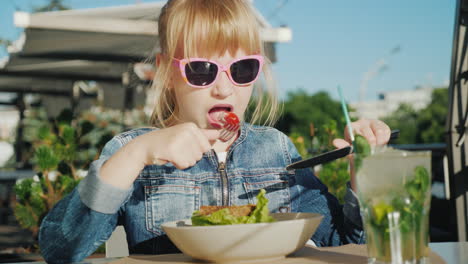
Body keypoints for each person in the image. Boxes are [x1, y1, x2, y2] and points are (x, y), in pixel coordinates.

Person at [38, 0, 391, 262]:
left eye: (242, 69)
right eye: (203, 70)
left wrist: (362, 172)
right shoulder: (133, 151)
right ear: (167, 72)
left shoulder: (275, 149)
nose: (224, 89)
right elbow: (60, 249)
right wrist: (135, 155)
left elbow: (344, 239)